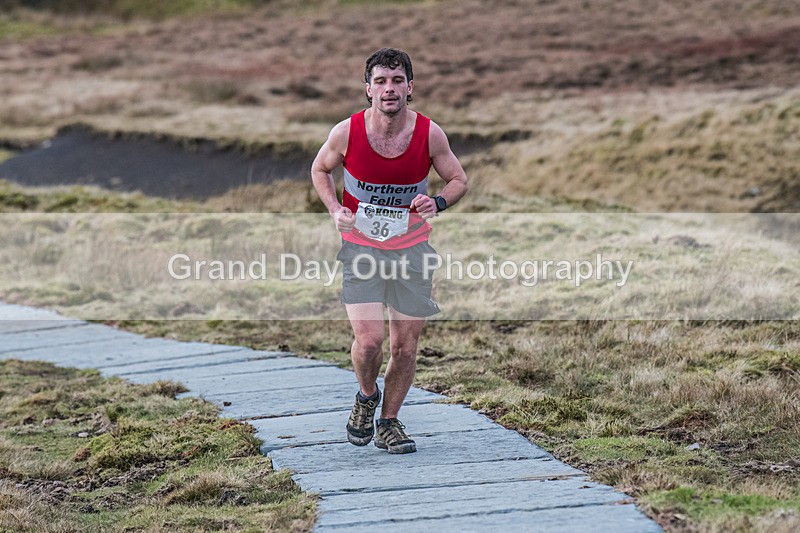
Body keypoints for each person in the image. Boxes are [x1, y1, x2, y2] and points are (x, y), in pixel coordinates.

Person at [311, 48, 468, 454]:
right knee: (369, 343)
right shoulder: (346, 132)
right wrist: (335, 210)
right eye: (380, 81)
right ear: (368, 89)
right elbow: (320, 169)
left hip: (412, 250)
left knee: (404, 347)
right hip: (361, 249)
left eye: (397, 81)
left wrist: (438, 201)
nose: (389, 89)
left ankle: (389, 422)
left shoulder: (430, 134)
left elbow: (458, 179)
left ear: (410, 87)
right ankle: (367, 396)